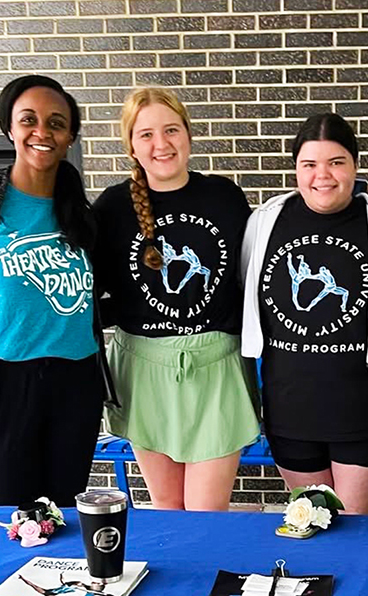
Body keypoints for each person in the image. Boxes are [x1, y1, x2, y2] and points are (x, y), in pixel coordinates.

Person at [0, 74, 115, 507]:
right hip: (2, 386)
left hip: (76, 384)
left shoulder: (82, 215)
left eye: (57, 123)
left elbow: (98, 297)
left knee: (66, 514)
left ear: (70, 137)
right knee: (10, 517)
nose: (42, 132)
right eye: (29, 119)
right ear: (9, 128)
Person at [92, 86, 259, 510]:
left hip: (215, 367)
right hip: (144, 370)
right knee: (169, 512)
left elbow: (248, 280)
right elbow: (95, 291)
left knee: (207, 514)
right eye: (145, 134)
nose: (161, 144)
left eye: (171, 130)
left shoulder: (224, 197)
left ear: (188, 133)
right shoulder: (112, 207)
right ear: (130, 144)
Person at [241, 113, 368, 515]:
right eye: (310, 164)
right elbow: (245, 296)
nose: (323, 175)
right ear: (296, 169)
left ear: (354, 165)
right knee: (310, 525)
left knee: (354, 529)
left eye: (336, 162)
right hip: (291, 407)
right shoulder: (266, 222)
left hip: (365, 407)